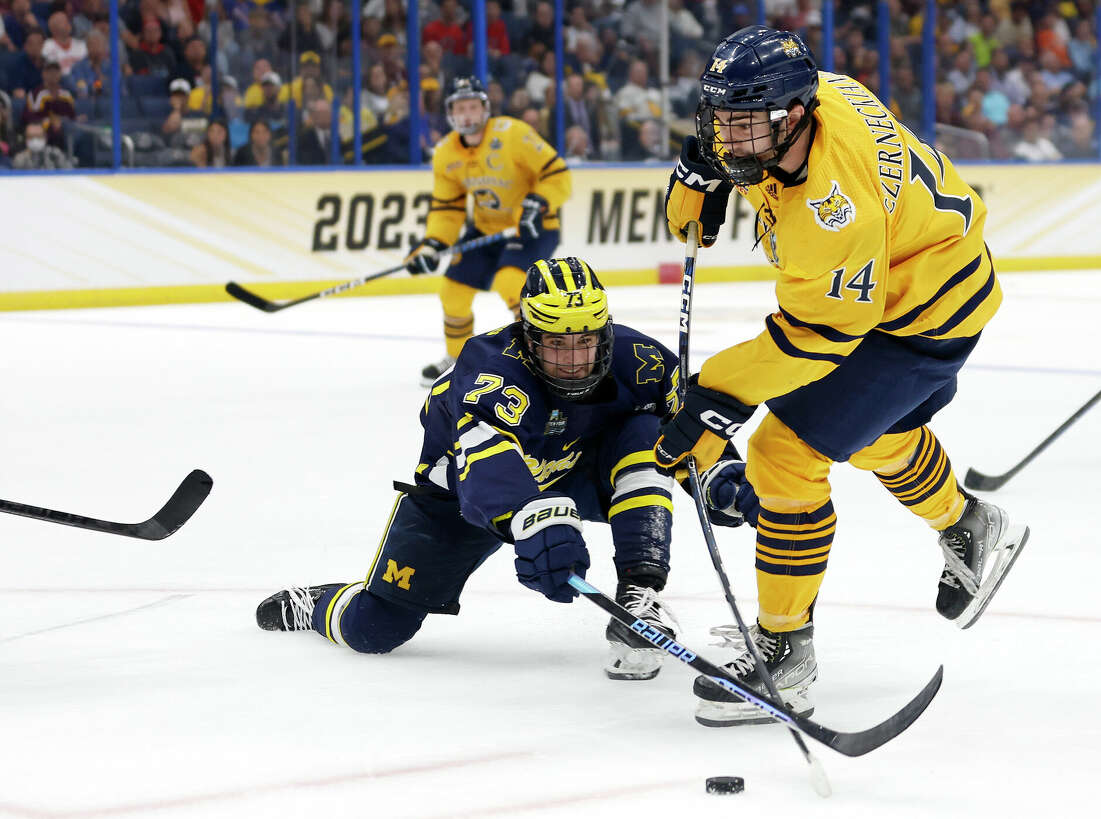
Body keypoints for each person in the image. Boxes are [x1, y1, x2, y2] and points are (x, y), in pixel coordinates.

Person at [658, 26, 1031, 726]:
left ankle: (786, 654)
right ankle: (970, 524)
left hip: (918, 319)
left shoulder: (833, 211)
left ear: (793, 116)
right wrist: (703, 165)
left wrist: (716, 396)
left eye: (741, 127)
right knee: (862, 434)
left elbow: (816, 339)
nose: (727, 138)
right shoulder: (815, 94)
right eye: (719, 122)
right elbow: (752, 148)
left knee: (783, 453)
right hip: (922, 281)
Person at [256, 257, 692, 682]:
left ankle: (640, 593)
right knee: (374, 628)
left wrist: (725, 479)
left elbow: (695, 431)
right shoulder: (490, 366)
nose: (574, 359)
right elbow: (489, 467)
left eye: (585, 341)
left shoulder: (643, 360)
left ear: (606, 332)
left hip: (569, 469)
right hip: (462, 496)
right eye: (556, 343)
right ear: (528, 334)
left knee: (648, 433)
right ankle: (315, 603)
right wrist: (534, 518)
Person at [405, 75, 571, 388]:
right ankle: (457, 360)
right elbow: (447, 209)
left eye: (473, 106)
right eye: (460, 108)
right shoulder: (445, 153)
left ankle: (538, 360)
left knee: (510, 281)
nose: (467, 114)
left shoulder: (513, 134)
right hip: (486, 230)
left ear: (485, 109)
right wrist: (432, 244)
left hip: (532, 227)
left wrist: (539, 203)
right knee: (452, 292)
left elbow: (557, 175)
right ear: (451, 113)